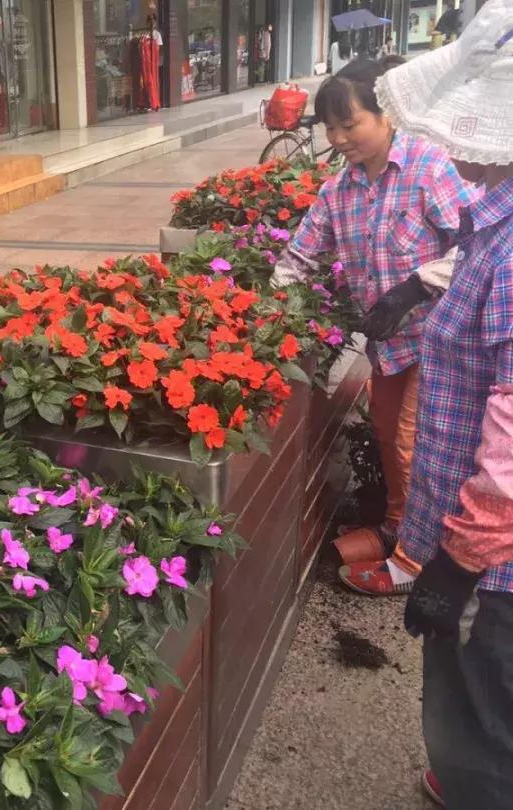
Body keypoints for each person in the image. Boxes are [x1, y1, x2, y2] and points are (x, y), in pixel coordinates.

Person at [272, 58, 478, 596]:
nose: (340, 138)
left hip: (442, 341)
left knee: (418, 443)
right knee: (389, 435)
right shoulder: (340, 191)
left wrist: (416, 285)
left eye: (351, 123)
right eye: (331, 128)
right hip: (390, 345)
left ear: (386, 117)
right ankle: (396, 524)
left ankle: (418, 561)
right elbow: (299, 257)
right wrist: (261, 311)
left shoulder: (427, 167)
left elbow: (480, 246)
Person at [376, 4, 513, 805]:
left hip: (496, 564)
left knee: (488, 696)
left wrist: (458, 563)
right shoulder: (493, 223)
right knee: (476, 699)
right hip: (481, 547)